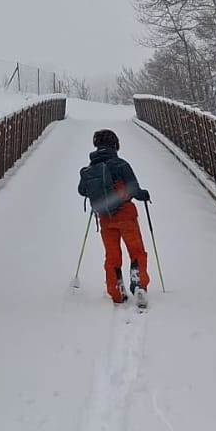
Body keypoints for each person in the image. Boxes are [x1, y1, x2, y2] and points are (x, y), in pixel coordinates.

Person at [77, 129, 151, 304]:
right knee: (136, 250)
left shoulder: (90, 168)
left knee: (112, 255)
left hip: (105, 217)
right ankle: (139, 284)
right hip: (126, 214)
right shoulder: (121, 164)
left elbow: (82, 191)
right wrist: (144, 194)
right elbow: (134, 189)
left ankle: (116, 292)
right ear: (115, 145)